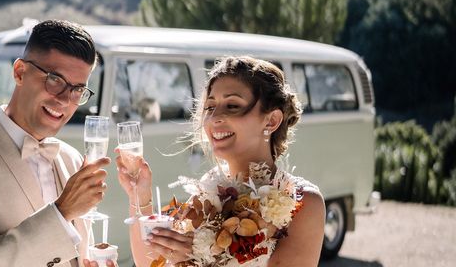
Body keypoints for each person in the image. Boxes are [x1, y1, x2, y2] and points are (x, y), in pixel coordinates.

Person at [0, 19, 112, 267]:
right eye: (55, 80)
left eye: (78, 90)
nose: (65, 100)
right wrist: (62, 211)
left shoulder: (71, 159)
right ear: (19, 72)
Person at [115, 55, 325, 267]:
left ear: (271, 120)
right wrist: (140, 196)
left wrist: (194, 261)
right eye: (210, 107)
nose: (215, 118)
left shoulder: (304, 203)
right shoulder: (209, 191)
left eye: (232, 105)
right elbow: (150, 263)